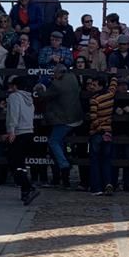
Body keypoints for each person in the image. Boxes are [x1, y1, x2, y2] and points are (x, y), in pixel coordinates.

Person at [41, 59, 84, 187]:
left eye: (54, 73)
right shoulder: (73, 78)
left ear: (58, 74)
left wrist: (39, 89)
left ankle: (64, 165)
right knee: (60, 143)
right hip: (77, 116)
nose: (53, 76)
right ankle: (64, 171)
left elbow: (44, 96)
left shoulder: (56, 85)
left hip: (65, 119)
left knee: (53, 141)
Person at [3, 75, 38, 205]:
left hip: (18, 132)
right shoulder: (29, 98)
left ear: (15, 86)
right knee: (21, 163)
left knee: (14, 163)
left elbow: (14, 114)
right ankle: (25, 191)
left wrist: (11, 130)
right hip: (29, 131)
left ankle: (28, 186)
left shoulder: (14, 97)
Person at [84, 74, 116, 195]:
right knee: (106, 160)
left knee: (95, 161)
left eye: (94, 85)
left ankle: (97, 188)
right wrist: (113, 76)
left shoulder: (94, 100)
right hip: (108, 131)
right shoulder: (110, 95)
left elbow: (93, 118)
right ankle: (108, 183)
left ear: (100, 86)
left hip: (97, 133)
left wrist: (99, 129)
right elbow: (113, 86)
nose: (92, 86)